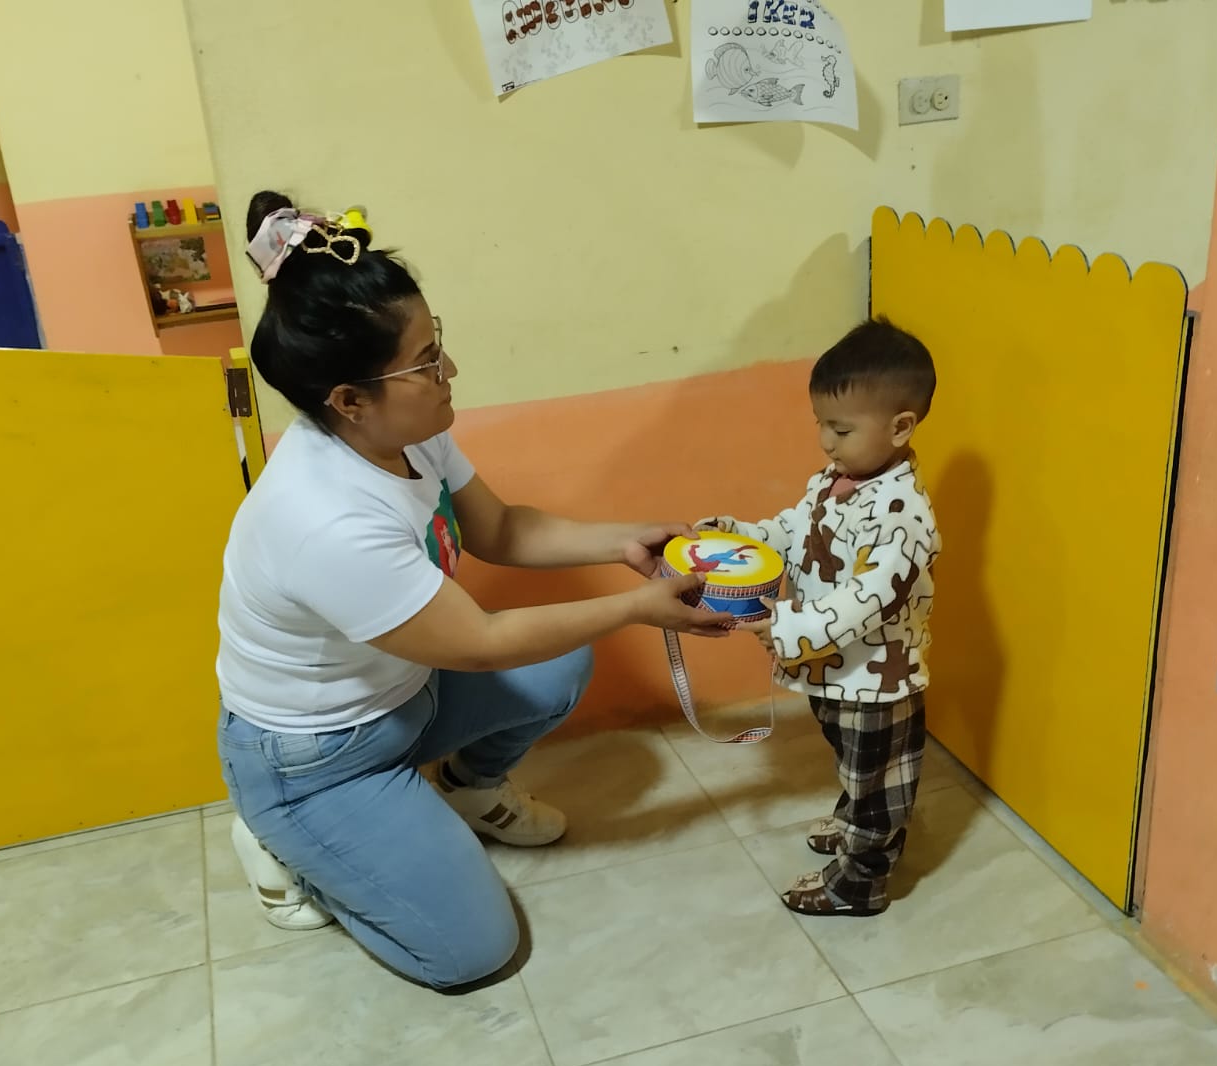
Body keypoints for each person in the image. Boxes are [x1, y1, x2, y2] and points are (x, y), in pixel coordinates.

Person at [216, 193, 727, 989]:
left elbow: (503, 530)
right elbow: (481, 643)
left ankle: (465, 791)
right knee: (472, 951)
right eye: (425, 362)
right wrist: (636, 608)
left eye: (438, 343)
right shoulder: (323, 518)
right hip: (320, 758)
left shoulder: (408, 434)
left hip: (409, 697)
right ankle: (283, 839)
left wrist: (630, 541)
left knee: (559, 663)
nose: (449, 371)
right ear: (349, 401)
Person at [699, 319, 942, 916]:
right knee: (854, 766)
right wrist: (742, 537)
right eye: (820, 424)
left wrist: (789, 628)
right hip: (833, 671)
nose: (826, 442)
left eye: (841, 429)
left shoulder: (903, 516)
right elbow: (794, 531)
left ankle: (859, 883)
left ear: (900, 427)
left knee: (877, 783)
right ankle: (856, 823)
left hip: (876, 682)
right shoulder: (837, 481)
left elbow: (867, 600)